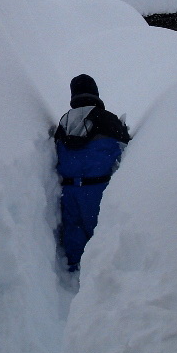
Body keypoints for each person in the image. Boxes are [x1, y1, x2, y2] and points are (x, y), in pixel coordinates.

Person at [54, 74, 130, 272]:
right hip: (98, 187)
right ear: (95, 92)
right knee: (99, 230)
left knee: (74, 227)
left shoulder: (64, 121)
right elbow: (126, 145)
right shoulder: (107, 119)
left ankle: (74, 267)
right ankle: (100, 275)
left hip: (70, 189)